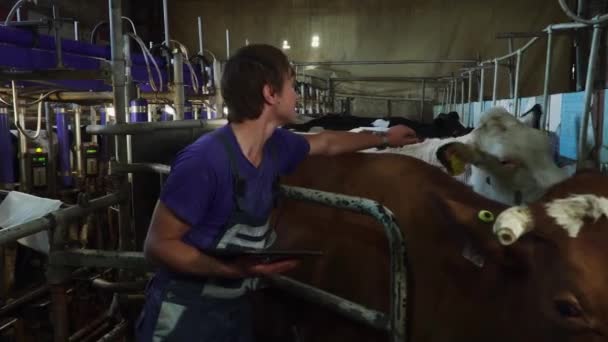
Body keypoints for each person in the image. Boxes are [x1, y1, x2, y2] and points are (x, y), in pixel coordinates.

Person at [135, 44, 418, 341]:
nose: (297, 96)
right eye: (292, 86)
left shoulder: (276, 147)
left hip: (234, 310)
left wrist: (385, 137)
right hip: (184, 315)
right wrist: (230, 271)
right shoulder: (204, 161)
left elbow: (327, 143)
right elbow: (157, 245)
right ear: (271, 94)